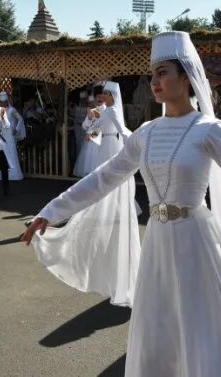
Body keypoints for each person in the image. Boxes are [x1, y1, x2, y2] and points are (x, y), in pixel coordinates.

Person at [22, 31, 221, 377]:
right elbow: (103, 178)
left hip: (198, 243)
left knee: (200, 330)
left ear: (186, 77)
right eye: (153, 74)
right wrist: (50, 212)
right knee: (160, 329)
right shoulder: (145, 132)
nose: (155, 81)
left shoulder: (209, 129)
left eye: (163, 72)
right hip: (158, 245)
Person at [31, 80, 140, 307]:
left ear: (112, 96)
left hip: (113, 146)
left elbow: (122, 130)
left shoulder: (114, 111)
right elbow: (86, 126)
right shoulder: (102, 110)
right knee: (100, 178)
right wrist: (91, 119)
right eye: (103, 94)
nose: (104, 97)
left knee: (110, 178)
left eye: (107, 94)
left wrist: (137, 145)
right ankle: (104, 204)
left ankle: (115, 205)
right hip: (103, 146)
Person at [0, 92, 25, 181]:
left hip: (10, 135)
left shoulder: (12, 110)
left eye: (4, 102)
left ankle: (13, 175)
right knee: (1, 154)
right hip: (0, 135)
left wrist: (17, 129)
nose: (3, 103)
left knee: (11, 153)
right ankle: (0, 174)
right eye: (1, 102)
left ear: (7, 101)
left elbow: (20, 119)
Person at [72, 89, 105, 177]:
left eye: (102, 97)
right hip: (90, 143)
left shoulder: (107, 110)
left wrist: (90, 134)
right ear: (94, 99)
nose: (99, 99)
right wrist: (90, 118)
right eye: (98, 97)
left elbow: (103, 126)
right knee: (89, 167)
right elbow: (84, 126)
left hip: (101, 141)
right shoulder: (93, 110)